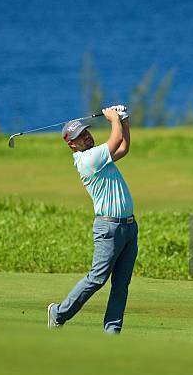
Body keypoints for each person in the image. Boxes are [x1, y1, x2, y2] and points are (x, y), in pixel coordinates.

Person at [47, 105, 137, 334]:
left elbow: (124, 147)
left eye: (86, 132)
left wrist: (123, 121)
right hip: (109, 227)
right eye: (80, 137)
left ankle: (112, 331)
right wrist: (113, 119)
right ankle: (58, 313)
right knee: (97, 279)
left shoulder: (98, 156)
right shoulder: (87, 159)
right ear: (72, 144)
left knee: (121, 285)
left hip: (128, 227)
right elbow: (116, 139)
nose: (86, 137)